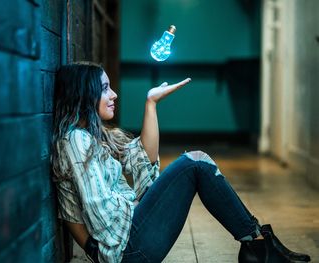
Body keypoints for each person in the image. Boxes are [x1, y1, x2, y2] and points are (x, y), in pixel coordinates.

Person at [51, 62, 310, 263]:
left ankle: (259, 244)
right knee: (194, 162)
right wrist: (138, 207)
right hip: (124, 252)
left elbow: (143, 158)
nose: (114, 94)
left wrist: (151, 103)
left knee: (196, 162)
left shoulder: (91, 137)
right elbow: (98, 213)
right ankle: (260, 247)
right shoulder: (75, 141)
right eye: (105, 88)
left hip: (126, 242)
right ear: (84, 94)